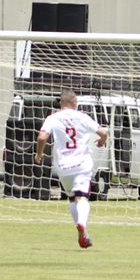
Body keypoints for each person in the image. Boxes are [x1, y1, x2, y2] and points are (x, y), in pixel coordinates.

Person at [35, 91, 108, 249]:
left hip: (63, 167)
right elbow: (103, 132)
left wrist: (39, 154)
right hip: (82, 164)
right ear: (75, 104)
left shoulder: (52, 118)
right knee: (82, 198)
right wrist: (102, 141)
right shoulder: (82, 117)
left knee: (72, 198)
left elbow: (42, 137)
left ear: (61, 104)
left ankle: (84, 234)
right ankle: (82, 224)